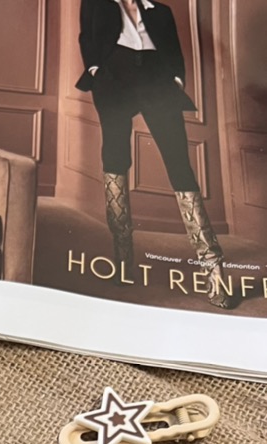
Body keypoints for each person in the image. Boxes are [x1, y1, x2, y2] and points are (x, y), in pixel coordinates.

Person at [77, 0, 235, 308]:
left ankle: (213, 270)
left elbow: (174, 53)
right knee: (116, 160)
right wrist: (96, 71)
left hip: (155, 79)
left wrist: (174, 79)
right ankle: (123, 260)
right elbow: (87, 37)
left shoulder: (160, 11)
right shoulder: (96, 3)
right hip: (113, 78)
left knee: (179, 165)